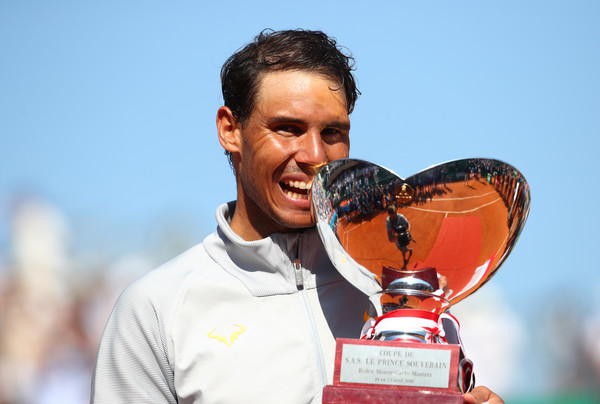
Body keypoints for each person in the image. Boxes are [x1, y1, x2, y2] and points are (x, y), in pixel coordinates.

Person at [90, 29, 503, 404]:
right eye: (287, 128)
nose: (315, 158)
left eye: (332, 133)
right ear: (230, 129)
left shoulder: (405, 293)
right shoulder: (157, 310)